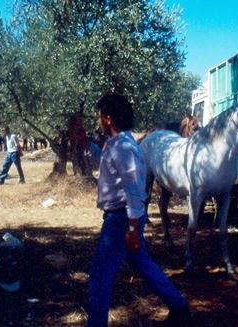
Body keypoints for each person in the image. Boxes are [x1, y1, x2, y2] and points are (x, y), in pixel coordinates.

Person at [71, 94, 191, 327]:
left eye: (99, 117)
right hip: (124, 218)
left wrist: (133, 228)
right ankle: (180, 307)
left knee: (99, 275)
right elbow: (105, 163)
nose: (97, 121)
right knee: (142, 263)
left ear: (107, 119)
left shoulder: (124, 147)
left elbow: (135, 191)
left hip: (121, 219)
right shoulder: (117, 145)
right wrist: (85, 142)